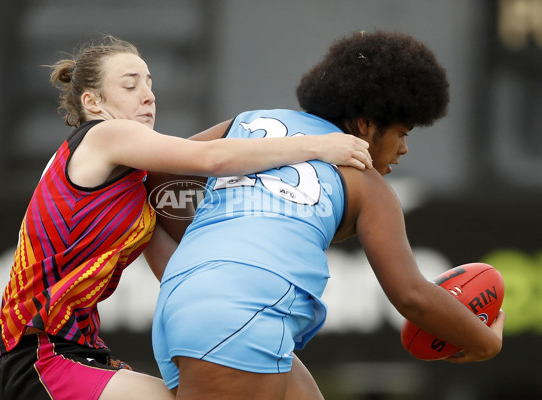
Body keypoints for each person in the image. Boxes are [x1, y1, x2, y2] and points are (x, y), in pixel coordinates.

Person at [0, 35, 374, 400]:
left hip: (80, 350)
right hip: (41, 355)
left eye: (150, 83)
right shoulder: (104, 136)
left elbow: (175, 272)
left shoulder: (131, 181)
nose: (148, 95)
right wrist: (317, 145)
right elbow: (214, 159)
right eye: (130, 86)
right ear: (93, 101)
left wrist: (243, 312)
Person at [150, 30, 506, 399]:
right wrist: (485, 343)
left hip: (181, 306)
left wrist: (204, 254)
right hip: (245, 314)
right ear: (367, 124)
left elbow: (156, 173)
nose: (403, 149)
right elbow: (412, 295)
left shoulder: (247, 123)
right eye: (401, 132)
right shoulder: (367, 184)